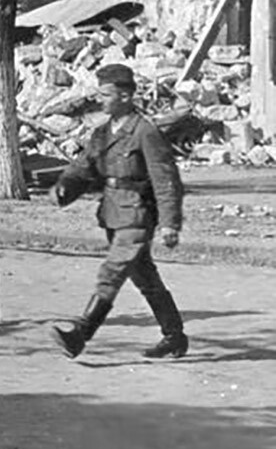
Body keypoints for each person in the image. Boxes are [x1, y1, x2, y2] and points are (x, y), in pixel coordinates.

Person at [50, 62, 187, 359]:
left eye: (106, 94)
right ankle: (174, 336)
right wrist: (65, 185)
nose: (100, 100)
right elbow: (84, 165)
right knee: (145, 278)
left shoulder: (144, 132)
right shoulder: (103, 132)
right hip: (112, 213)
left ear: (125, 96)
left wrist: (170, 223)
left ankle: (80, 334)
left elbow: (166, 180)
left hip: (137, 215)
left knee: (111, 272)